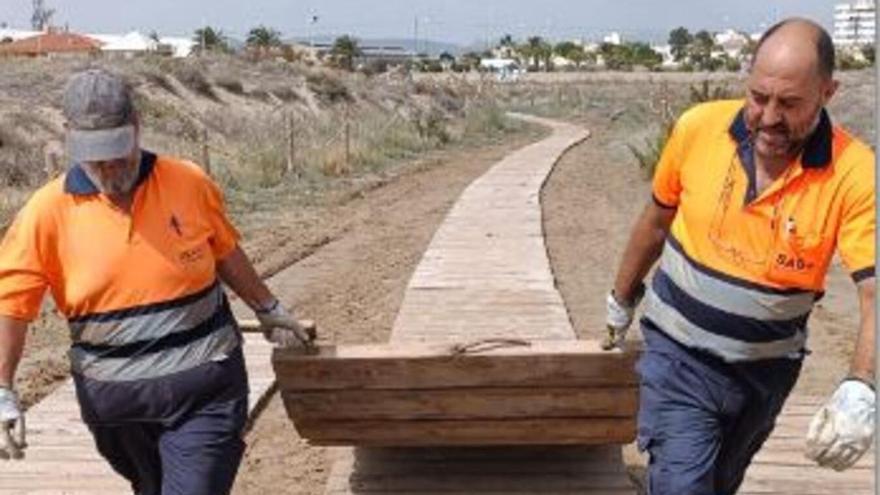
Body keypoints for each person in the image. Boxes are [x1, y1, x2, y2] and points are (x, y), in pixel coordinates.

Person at [0, 68, 313, 494]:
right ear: (71, 140)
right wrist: (3, 389)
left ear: (137, 128)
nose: (110, 165)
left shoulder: (188, 182)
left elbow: (224, 251)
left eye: (117, 150)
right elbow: (12, 306)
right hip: (117, 412)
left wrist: (269, 309)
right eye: (96, 155)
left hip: (207, 390)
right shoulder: (45, 213)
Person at [605, 18, 875, 495]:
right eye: (758, 97)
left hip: (765, 375)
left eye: (789, 104)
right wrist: (621, 298)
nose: (769, 117)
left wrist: (862, 384)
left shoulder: (854, 172)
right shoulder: (698, 129)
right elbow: (655, 219)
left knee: (719, 484)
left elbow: (874, 290)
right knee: (682, 485)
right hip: (678, 357)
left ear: (828, 92)